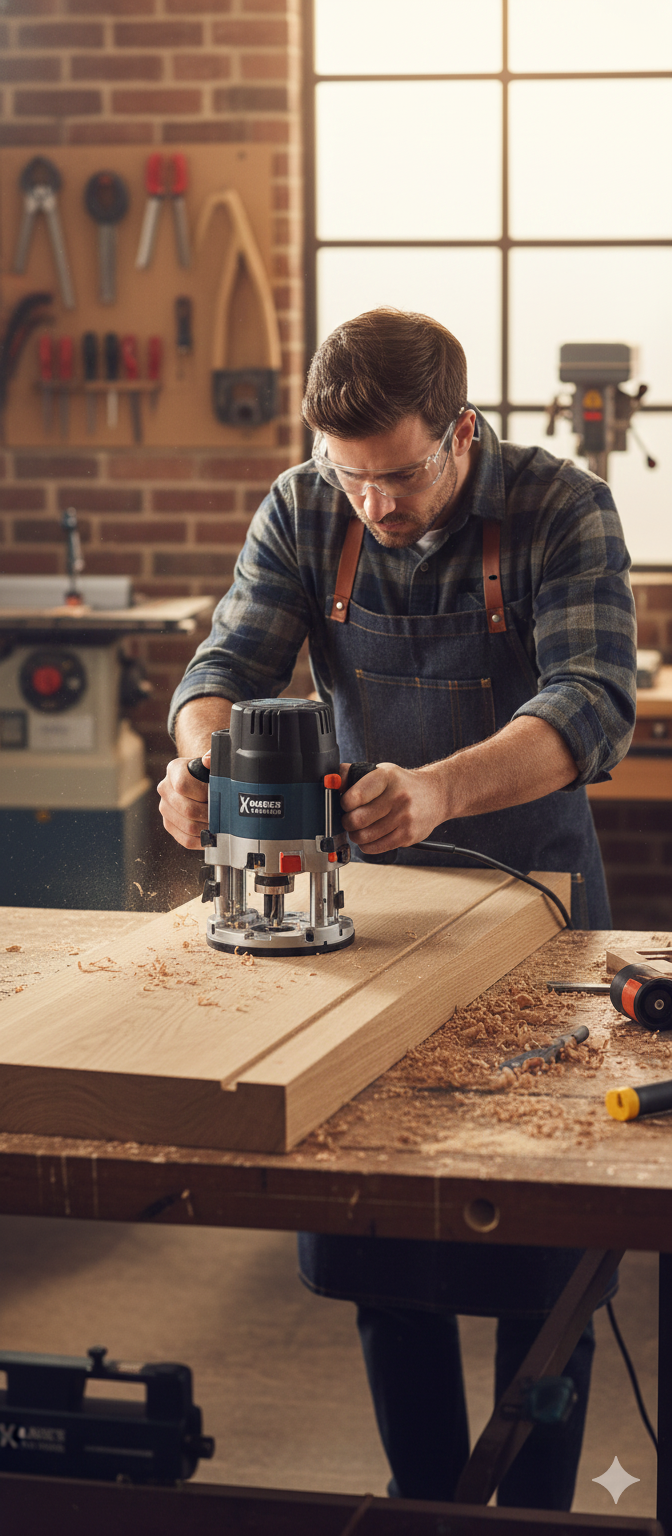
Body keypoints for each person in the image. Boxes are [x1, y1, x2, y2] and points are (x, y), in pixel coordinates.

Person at [158, 309, 636, 1510]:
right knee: (389, 1246)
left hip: (542, 917)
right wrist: (209, 768)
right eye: (349, 476)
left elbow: (591, 705)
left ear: (461, 435)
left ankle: (532, 1519)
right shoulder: (305, 504)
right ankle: (427, 1504)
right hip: (371, 926)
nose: (372, 504)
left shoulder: (557, 507)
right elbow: (224, 670)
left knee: (543, 1261)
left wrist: (438, 789)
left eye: (399, 475)